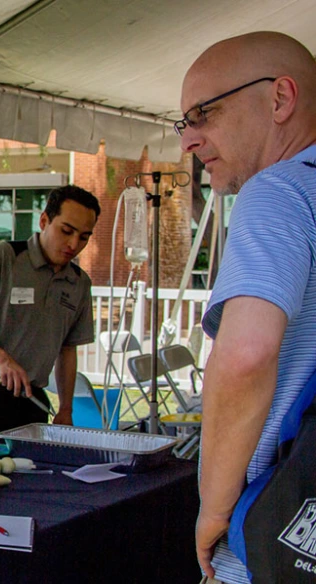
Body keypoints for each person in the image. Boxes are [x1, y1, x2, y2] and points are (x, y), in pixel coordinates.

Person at [178, 32, 316, 584]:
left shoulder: (279, 191)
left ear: (280, 99)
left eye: (203, 114)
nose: (189, 140)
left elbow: (245, 355)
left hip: (274, 534)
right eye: (181, 123)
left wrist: (214, 508)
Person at [0, 185, 99, 447]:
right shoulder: (7, 257)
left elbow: (67, 349)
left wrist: (66, 408)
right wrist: (3, 360)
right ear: (44, 221)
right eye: (66, 231)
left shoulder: (79, 284)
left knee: (32, 476)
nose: (74, 244)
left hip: (32, 398)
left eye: (84, 237)